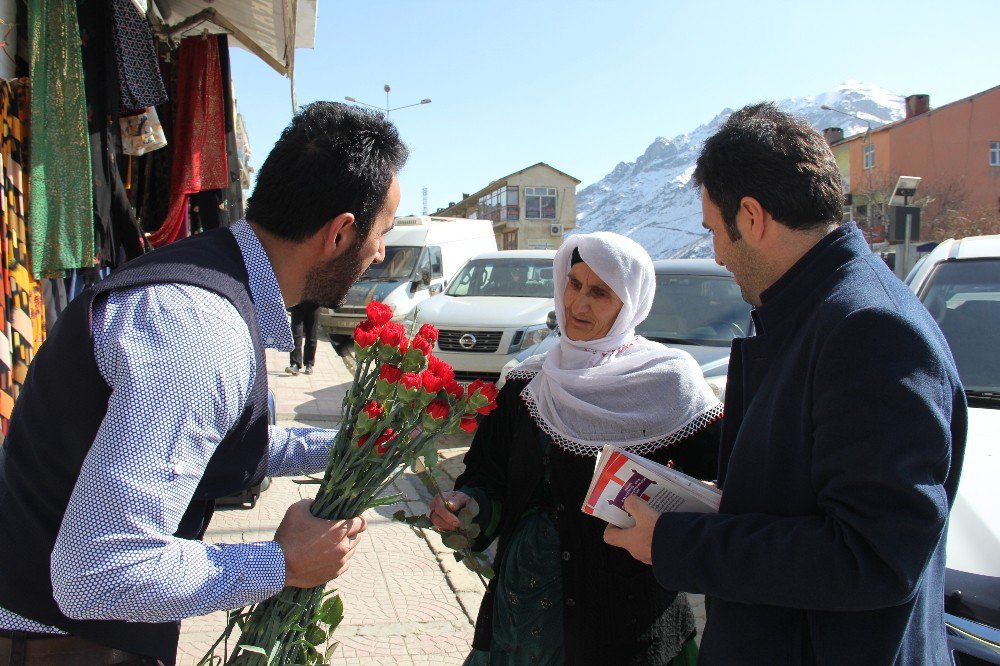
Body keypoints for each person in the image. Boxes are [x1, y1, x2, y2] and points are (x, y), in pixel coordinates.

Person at [0, 102, 408, 664]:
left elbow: (212, 440)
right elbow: (98, 571)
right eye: (382, 233)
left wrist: (352, 445)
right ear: (340, 233)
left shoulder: (211, 285)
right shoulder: (200, 330)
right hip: (56, 644)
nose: (381, 252)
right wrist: (283, 562)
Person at [604, 103, 967, 664]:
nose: (717, 254)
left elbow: (872, 556)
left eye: (713, 232)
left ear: (751, 216)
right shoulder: (818, 311)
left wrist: (678, 542)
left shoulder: (867, 329)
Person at [430, 232, 724, 665]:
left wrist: (674, 530)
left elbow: (723, 487)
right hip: (523, 612)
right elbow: (486, 474)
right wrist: (466, 504)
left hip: (626, 623)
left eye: (600, 293)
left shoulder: (669, 384)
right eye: (574, 284)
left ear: (630, 304)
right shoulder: (527, 383)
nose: (577, 305)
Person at [287, 301, 321, 375]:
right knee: (296, 334)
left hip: (313, 303)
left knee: (312, 335)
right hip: (297, 303)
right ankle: (295, 364)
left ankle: (309, 364)